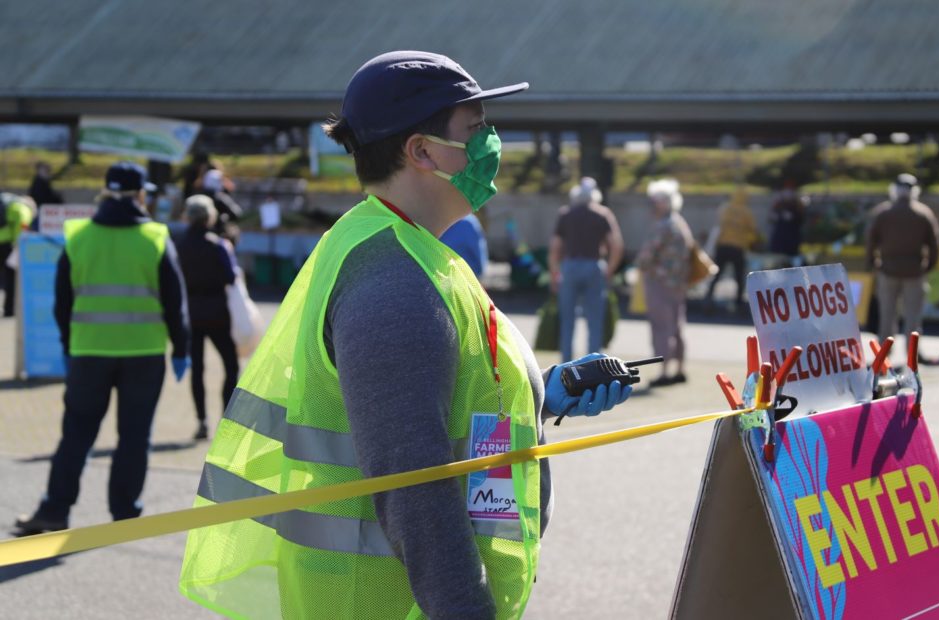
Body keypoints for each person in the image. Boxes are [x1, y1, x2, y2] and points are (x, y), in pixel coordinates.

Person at [179, 51, 633, 619]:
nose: (491, 144)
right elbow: (414, 488)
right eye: (475, 129)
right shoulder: (394, 281)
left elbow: (417, 411)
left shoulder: (403, 246)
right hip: (381, 600)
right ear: (421, 151)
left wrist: (539, 391)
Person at [14, 162, 190, 535]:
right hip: (143, 355)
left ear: (105, 193)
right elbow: (175, 303)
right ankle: (125, 516)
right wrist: (181, 348)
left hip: (88, 353)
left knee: (76, 433)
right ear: (141, 195)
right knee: (134, 435)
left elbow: (61, 302)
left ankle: (54, 510)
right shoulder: (156, 238)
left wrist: (67, 344)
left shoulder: (78, 237)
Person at [176, 195, 239, 440]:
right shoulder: (217, 244)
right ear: (209, 217)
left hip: (190, 313)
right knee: (230, 365)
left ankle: (201, 421)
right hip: (216, 313)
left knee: (197, 369)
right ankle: (228, 419)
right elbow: (231, 277)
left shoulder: (179, 245)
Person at [865, 173, 939, 354]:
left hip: (887, 270)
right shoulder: (923, 213)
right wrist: (927, 266)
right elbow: (935, 244)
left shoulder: (883, 212)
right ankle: (912, 354)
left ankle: (883, 354)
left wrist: (873, 263)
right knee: (913, 317)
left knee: (887, 315)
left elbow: (870, 240)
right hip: (915, 272)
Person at [549, 177, 623, 361]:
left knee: (568, 319)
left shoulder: (566, 214)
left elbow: (555, 247)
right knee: (594, 320)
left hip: (570, 266)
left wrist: (554, 273)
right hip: (594, 266)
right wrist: (610, 269)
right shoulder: (603, 214)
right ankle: (593, 362)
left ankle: (565, 363)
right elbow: (616, 245)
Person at [636, 178, 693, 387]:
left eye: (655, 200)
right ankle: (679, 368)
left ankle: (664, 371)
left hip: (660, 282)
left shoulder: (662, 226)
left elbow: (645, 258)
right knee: (677, 326)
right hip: (678, 282)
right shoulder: (679, 222)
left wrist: (641, 266)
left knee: (661, 327)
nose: (651, 204)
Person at [703, 186, 757, 309]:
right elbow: (752, 232)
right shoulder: (746, 212)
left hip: (722, 246)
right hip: (738, 248)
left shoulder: (725, 209)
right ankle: (738, 302)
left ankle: (708, 297)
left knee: (716, 274)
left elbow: (718, 227)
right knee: (739, 276)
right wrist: (749, 243)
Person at [1, 194, 35, 317]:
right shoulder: (24, 209)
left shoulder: (10, 203)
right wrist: (18, 244)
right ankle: (9, 310)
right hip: (6, 244)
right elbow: (22, 227)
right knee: (11, 278)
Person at [440, 212, 489, 278]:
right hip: (444, 277)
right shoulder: (469, 222)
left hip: (463, 278)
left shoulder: (468, 223)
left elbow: (479, 257)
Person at [768, 181, 806, 263]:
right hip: (782, 236)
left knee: (792, 254)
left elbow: (800, 217)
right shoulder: (780, 200)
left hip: (792, 235)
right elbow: (772, 215)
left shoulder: (796, 201)